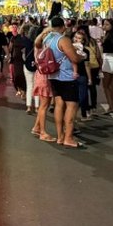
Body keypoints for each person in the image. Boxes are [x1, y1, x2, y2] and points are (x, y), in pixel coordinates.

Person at [35, 17, 85, 148]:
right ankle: (68, 137)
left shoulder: (47, 39)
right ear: (63, 27)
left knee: (58, 104)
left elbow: (37, 44)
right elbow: (73, 57)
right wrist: (82, 56)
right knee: (71, 106)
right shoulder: (63, 40)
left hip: (53, 76)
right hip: (66, 76)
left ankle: (60, 136)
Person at [72, 29, 94, 121]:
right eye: (76, 37)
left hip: (82, 75)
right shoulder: (69, 48)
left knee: (83, 96)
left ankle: (83, 114)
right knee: (74, 97)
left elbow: (87, 65)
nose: (77, 39)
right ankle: (74, 116)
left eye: (79, 38)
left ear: (83, 41)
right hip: (72, 74)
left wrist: (89, 78)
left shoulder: (86, 51)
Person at [9, 24, 32, 101]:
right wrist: (9, 56)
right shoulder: (13, 38)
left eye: (17, 27)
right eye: (13, 27)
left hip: (23, 59)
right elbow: (10, 48)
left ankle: (24, 91)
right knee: (16, 76)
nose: (15, 29)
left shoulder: (24, 39)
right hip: (16, 59)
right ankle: (19, 89)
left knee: (22, 75)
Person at [23, 25, 41, 115]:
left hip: (27, 65)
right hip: (38, 67)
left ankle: (29, 106)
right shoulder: (40, 43)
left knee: (29, 86)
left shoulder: (27, 41)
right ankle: (37, 107)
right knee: (36, 86)